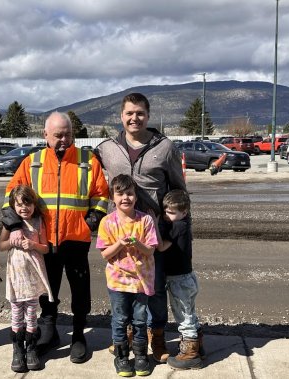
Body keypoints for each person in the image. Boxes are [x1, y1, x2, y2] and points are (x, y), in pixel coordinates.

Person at [3, 111, 109, 363]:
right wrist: (16, 226)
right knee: (46, 290)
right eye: (58, 135)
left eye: (68, 135)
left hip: (76, 240)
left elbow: (102, 195)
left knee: (80, 291)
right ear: (46, 135)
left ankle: (79, 336)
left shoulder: (88, 161)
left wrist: (91, 221)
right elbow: (10, 196)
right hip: (43, 242)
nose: (64, 140)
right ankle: (49, 332)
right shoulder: (32, 162)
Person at [95, 92, 187, 363]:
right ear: (121, 116)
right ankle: (122, 339)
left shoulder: (165, 147)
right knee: (122, 290)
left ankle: (156, 338)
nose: (134, 118)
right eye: (129, 113)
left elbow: (179, 191)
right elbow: (97, 185)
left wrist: (176, 229)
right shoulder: (106, 148)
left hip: (150, 231)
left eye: (140, 113)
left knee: (154, 289)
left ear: (148, 115)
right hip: (118, 231)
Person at [97, 174, 159, 377]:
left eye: (130, 193)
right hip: (117, 281)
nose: (125, 198)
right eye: (120, 193)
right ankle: (122, 356)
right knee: (120, 319)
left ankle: (141, 355)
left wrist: (136, 244)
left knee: (140, 319)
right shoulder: (107, 222)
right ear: (112, 197)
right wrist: (120, 244)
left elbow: (150, 250)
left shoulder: (146, 220)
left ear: (136, 196)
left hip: (141, 281)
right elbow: (105, 254)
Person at [0, 185, 53, 372]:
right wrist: (11, 241)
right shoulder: (9, 224)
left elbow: (45, 247)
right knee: (16, 315)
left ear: (33, 205)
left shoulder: (38, 222)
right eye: (19, 204)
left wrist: (33, 244)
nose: (23, 208)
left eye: (27, 204)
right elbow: (1, 246)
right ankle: (17, 349)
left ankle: (31, 348)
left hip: (32, 279)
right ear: (13, 206)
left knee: (31, 315)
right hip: (16, 278)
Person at [158, 189, 204, 370]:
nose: (166, 216)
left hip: (179, 280)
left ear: (184, 212)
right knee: (190, 312)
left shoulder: (177, 227)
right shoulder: (184, 224)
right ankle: (198, 345)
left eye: (171, 212)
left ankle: (190, 354)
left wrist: (155, 223)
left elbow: (161, 247)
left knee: (183, 315)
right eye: (165, 212)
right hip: (187, 277)